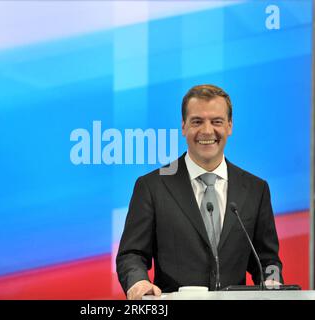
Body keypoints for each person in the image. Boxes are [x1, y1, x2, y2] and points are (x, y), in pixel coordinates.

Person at [116, 84, 283, 300]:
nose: (206, 131)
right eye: (197, 121)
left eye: (216, 121)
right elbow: (131, 254)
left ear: (230, 126)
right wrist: (138, 282)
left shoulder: (255, 189)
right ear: (183, 126)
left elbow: (268, 260)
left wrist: (273, 282)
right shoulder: (152, 186)